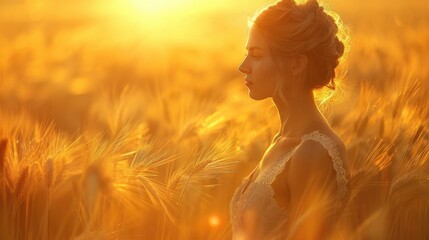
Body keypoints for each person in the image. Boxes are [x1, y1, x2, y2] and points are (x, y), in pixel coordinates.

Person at [230, 0, 350, 239]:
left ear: (296, 64)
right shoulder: (282, 141)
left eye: (256, 55)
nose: (243, 67)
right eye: (247, 53)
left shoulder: (314, 152)